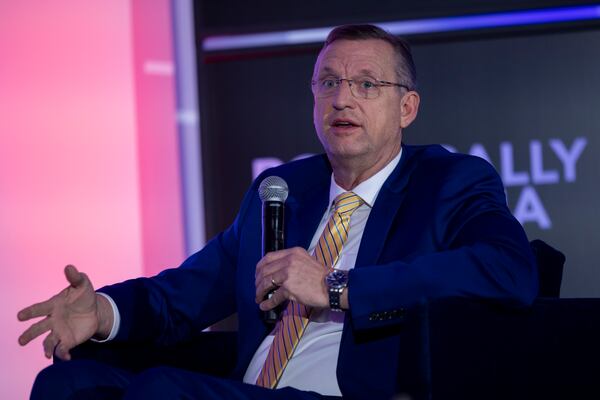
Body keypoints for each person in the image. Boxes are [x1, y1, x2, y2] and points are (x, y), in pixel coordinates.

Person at [18, 24, 538, 399]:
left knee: (163, 391)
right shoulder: (286, 188)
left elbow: (509, 270)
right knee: (68, 382)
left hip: (348, 392)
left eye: (366, 85)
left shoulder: (448, 182)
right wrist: (104, 311)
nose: (342, 99)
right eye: (328, 83)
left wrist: (337, 287)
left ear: (407, 108)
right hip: (250, 388)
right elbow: (185, 293)